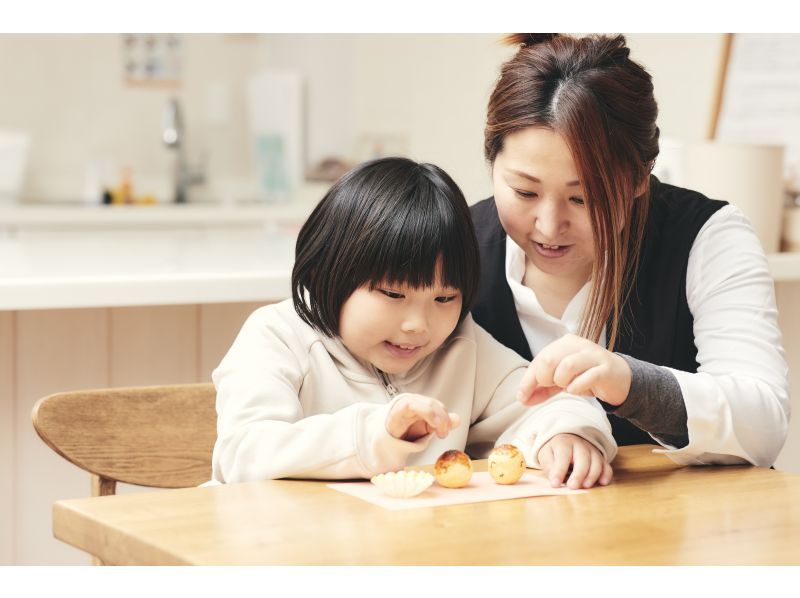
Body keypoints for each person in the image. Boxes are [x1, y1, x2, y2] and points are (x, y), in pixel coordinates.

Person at [471, 33, 790, 467]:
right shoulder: (458, 247)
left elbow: (763, 425)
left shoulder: (705, 235)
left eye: (583, 199)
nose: (549, 225)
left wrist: (631, 383)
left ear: (640, 178)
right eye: (524, 191)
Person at [211, 157, 616, 488]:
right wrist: (377, 433)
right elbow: (245, 455)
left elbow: (543, 400)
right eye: (393, 295)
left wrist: (567, 434)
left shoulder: (460, 344)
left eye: (444, 298)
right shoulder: (277, 336)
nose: (418, 326)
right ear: (325, 273)